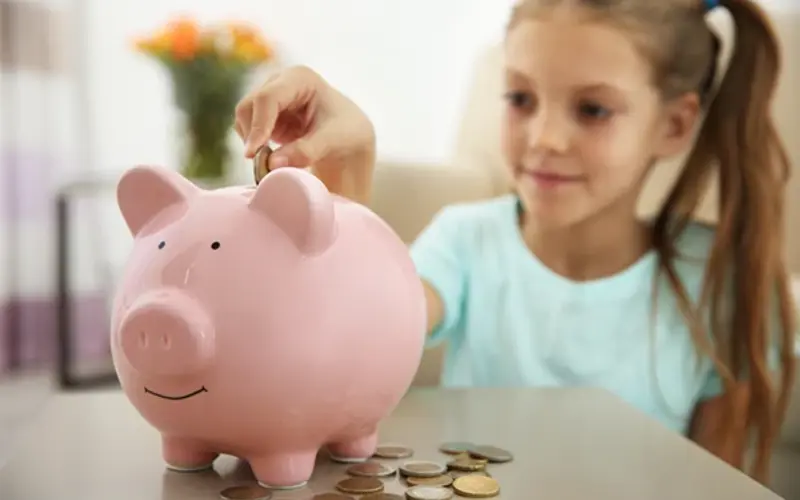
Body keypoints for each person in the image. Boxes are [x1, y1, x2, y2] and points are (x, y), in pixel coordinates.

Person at [234, 0, 796, 483]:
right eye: (521, 99)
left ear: (674, 125)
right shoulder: (465, 241)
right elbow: (360, 329)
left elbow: (718, 481)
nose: (545, 138)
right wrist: (349, 173)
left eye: (592, 110)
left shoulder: (718, 280)